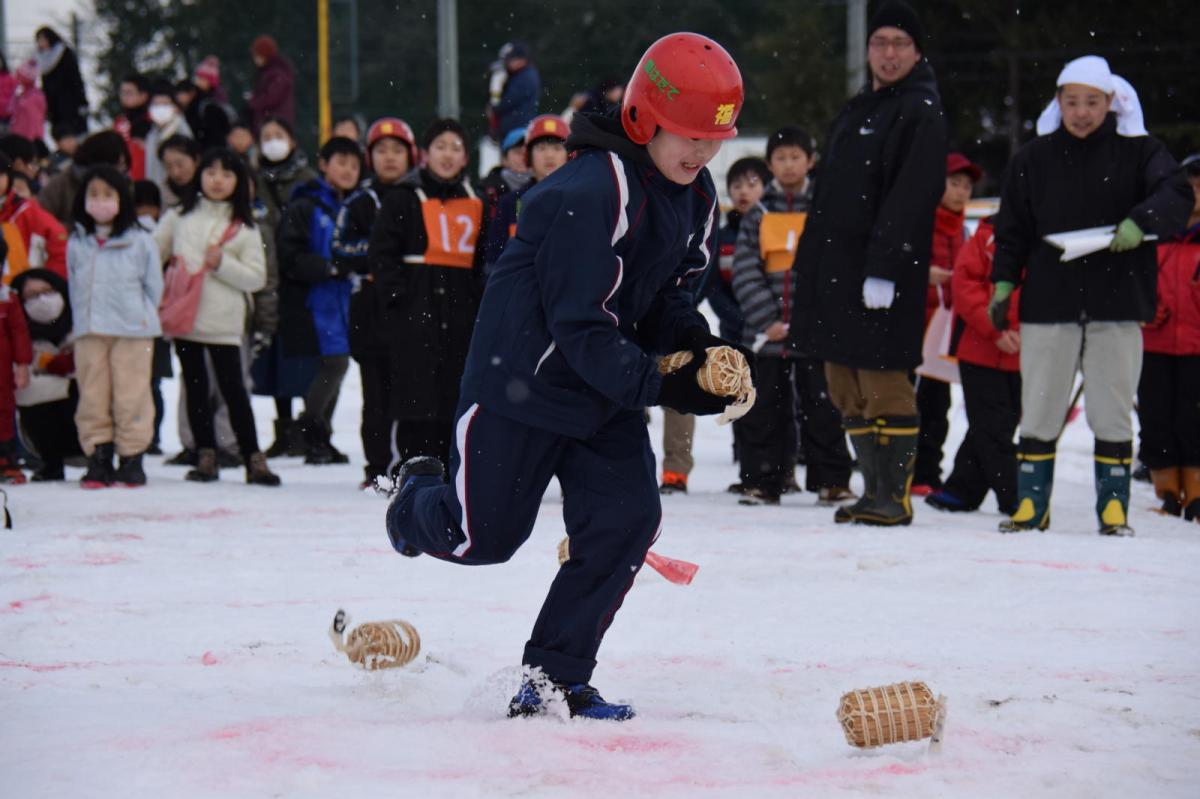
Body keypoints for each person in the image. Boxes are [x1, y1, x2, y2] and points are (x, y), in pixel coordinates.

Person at [385, 33, 746, 721]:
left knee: (627, 519)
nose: (702, 153)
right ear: (644, 117)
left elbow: (669, 299)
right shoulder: (591, 190)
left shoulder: (696, 195)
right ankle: (414, 499)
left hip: (603, 391)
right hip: (523, 385)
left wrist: (700, 353)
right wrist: (667, 383)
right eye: (689, 135)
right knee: (480, 540)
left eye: (714, 139)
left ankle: (553, 679)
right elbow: (582, 327)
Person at [989, 55, 1191, 536]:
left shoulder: (1139, 151)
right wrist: (1002, 283)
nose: (1082, 112)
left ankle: (1113, 506)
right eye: (1072, 101)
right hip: (1048, 302)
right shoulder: (1033, 158)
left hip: (1118, 302)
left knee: (1112, 405)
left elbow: (1177, 193)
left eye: (1092, 102)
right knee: (1039, 404)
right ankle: (1031, 505)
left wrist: (1139, 221)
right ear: (1058, 103)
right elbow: (1012, 227)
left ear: (1112, 103)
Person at [791, 0, 947, 526]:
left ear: (917, 51)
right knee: (845, 385)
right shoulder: (858, 108)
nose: (888, 53)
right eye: (879, 43)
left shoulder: (921, 111)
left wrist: (884, 264)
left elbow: (911, 196)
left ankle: (894, 496)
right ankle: (871, 491)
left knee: (884, 383)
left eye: (899, 44)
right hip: (836, 272)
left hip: (883, 275)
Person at [733, 126, 853, 506]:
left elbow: (833, 267)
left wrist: (810, 319)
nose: (788, 166)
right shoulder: (758, 214)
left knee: (824, 408)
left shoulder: (826, 208)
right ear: (770, 165)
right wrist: (767, 319)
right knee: (764, 410)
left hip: (813, 332)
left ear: (811, 162)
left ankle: (831, 480)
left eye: (795, 157)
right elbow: (746, 270)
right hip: (766, 335)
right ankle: (763, 481)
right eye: (780, 158)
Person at [154, 149, 279, 486]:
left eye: (226, 174)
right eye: (210, 172)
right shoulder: (180, 216)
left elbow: (257, 277)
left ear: (239, 182)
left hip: (225, 321)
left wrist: (222, 263)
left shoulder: (245, 227)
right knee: (194, 388)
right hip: (186, 319)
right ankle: (205, 455)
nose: (217, 180)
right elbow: (154, 253)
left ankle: (252, 457)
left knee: (233, 390)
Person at [369, 118, 484, 469]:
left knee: (456, 396)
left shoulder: (477, 201)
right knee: (415, 399)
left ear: (466, 157)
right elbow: (382, 254)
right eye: (440, 147)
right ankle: (414, 471)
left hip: (461, 316)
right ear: (424, 155)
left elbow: (484, 262)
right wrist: (400, 302)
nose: (447, 155)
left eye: (455, 148)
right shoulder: (403, 198)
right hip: (415, 316)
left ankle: (452, 472)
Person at [332, 117, 417, 487]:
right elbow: (340, 251)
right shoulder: (360, 202)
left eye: (397, 151)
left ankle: (412, 464)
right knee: (376, 397)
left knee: (413, 394)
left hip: (412, 309)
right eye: (381, 151)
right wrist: (384, 255)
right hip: (369, 311)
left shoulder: (420, 198)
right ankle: (376, 467)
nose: (390, 158)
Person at [66, 166, 161, 488]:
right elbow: (72, 282)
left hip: (132, 330)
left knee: (132, 395)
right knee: (92, 395)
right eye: (94, 194)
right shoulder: (78, 241)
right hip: (90, 329)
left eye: (108, 194)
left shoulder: (140, 241)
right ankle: (99, 456)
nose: (100, 201)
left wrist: (140, 314)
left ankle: (132, 457)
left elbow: (154, 287)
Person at [925, 215, 1021, 515]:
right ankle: (1016, 497)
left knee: (997, 424)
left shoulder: (1042, 235)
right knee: (994, 428)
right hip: (979, 349)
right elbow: (966, 288)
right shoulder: (983, 238)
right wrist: (995, 329)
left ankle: (962, 489)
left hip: (1023, 350)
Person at [276, 136, 363, 465]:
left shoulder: (357, 205)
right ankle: (309, 429)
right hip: (316, 299)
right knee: (334, 364)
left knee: (337, 366)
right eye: (340, 162)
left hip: (345, 299)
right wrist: (327, 267)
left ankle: (319, 435)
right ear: (324, 164)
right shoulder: (306, 205)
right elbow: (289, 253)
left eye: (354, 165)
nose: (347, 170)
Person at [689, 156, 769, 495]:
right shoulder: (722, 232)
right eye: (736, 185)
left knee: (776, 397)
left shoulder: (774, 225)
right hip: (737, 328)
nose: (743, 191)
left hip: (772, 329)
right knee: (741, 395)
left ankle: (783, 464)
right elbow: (713, 285)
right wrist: (734, 316)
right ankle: (748, 458)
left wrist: (763, 314)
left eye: (752, 184)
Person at [912, 152, 982, 495]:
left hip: (945, 337)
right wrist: (923, 277)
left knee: (938, 406)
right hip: (915, 331)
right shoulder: (917, 221)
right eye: (954, 183)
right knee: (910, 404)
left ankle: (927, 472)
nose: (960, 192)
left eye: (967, 186)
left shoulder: (966, 230)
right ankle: (907, 470)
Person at [1136, 153, 1200, 523]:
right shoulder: (1152, 235)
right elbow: (1129, 285)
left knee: (1192, 421)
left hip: (1195, 349)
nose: (1194, 194)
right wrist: (1144, 308)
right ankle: (1167, 495)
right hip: (1154, 346)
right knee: (1157, 421)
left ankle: (1196, 494)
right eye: (1187, 186)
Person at [250, 116, 318, 458]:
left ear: (292, 141)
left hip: (299, 278)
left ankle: (310, 429)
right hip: (265, 277)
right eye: (267, 136)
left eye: (279, 135)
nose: (273, 141)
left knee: (303, 358)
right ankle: (284, 430)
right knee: (275, 361)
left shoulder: (308, 181)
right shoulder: (253, 179)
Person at [12, 267, 81, 481]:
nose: (42, 299)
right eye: (32, 295)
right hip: (40, 401)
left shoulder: (78, 322)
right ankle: (50, 461)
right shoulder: (19, 332)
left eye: (47, 291)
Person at [483, 114, 567, 271]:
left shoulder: (580, 200)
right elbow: (494, 261)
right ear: (528, 156)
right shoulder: (510, 203)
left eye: (557, 148)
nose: (549, 155)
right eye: (541, 148)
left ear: (569, 155)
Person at [37, 130, 131, 226]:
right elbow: (40, 220)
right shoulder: (62, 183)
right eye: (117, 165)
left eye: (123, 166)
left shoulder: (125, 183)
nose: (121, 171)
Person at [0, 151, 68, 280]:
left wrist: (50, 283)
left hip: (24, 292)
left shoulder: (24, 210)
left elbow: (58, 245)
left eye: (1, 174)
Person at [0, 241, 32, 483]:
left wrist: (22, 364)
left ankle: (5, 456)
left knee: (4, 411)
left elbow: (19, 333)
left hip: (3, 371)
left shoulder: (7, 299)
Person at [34, 27, 87, 137]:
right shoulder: (42, 59)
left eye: (43, 39)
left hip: (69, 100)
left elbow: (75, 78)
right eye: (38, 40)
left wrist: (82, 101)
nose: (41, 43)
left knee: (73, 133)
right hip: (53, 104)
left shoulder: (64, 53)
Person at [143, 83, 193, 195]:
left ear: (175, 107)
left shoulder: (182, 131)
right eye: (156, 104)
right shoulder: (151, 134)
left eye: (165, 104)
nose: (160, 109)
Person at [480, 126, 531, 228]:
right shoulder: (487, 190)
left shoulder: (544, 186)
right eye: (517, 152)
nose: (523, 156)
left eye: (527, 152)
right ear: (504, 159)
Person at [491, 42, 540, 140]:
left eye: (510, 60)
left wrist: (495, 107)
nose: (507, 63)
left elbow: (510, 100)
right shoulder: (518, 75)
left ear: (521, 60)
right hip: (512, 128)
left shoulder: (526, 76)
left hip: (518, 129)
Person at [247, 36, 295, 131]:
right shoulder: (270, 72)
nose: (255, 59)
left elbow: (271, 98)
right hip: (273, 121)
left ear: (264, 55)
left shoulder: (276, 73)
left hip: (275, 123)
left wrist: (253, 103)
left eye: (257, 55)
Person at [113, 74, 151, 181]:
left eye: (129, 93)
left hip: (150, 175)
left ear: (143, 95)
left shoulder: (153, 119)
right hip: (126, 177)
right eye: (122, 92)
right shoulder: (119, 122)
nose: (124, 97)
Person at [156, 134, 200, 208]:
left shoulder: (211, 190)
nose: (175, 173)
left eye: (180, 165)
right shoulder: (161, 194)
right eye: (168, 167)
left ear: (196, 160)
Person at [8, 61, 46, 143]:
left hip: (28, 139)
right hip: (19, 136)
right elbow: (11, 109)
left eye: (20, 77)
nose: (18, 79)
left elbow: (34, 121)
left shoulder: (34, 97)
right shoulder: (22, 94)